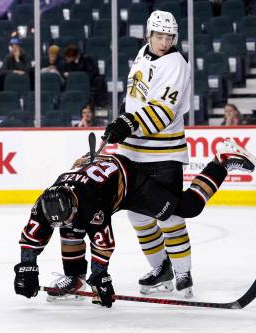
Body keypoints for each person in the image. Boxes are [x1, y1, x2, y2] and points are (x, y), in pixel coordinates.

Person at [13, 139, 256, 306]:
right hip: (102, 181)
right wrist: (26, 267)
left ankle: (222, 161)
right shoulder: (46, 203)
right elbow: (31, 237)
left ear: (74, 204)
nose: (65, 221)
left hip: (130, 183)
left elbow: (103, 244)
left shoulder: (89, 204)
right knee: (71, 228)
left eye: (70, 214)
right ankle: (75, 277)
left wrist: (100, 277)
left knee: (188, 208)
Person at [101, 10, 196, 298]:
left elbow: (164, 111)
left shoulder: (176, 63)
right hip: (133, 154)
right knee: (138, 217)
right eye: (159, 36)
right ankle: (160, 268)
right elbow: (136, 96)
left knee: (168, 216)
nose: (164, 41)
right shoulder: (143, 54)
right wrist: (122, 116)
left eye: (169, 37)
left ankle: (183, 273)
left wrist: (129, 123)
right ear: (149, 34)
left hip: (163, 154)